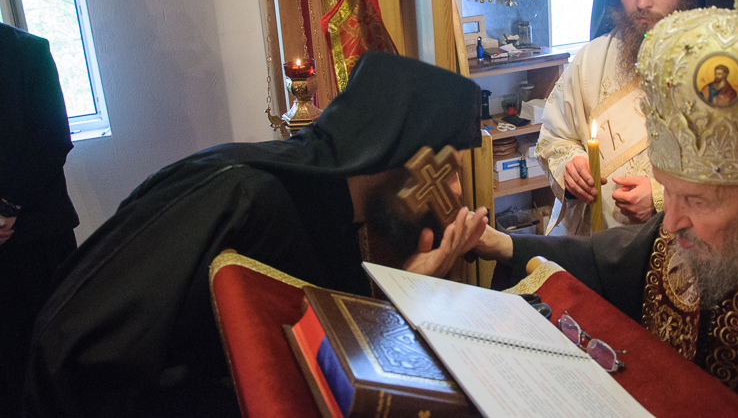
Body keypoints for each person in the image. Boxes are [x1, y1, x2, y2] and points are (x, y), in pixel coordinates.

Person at [473, 0, 738, 417]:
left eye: (696, 201)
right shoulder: (685, 224)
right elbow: (612, 259)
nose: (670, 222)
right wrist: (505, 245)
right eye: (668, 191)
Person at [23, 51, 488, 418]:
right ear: (402, 151)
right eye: (448, 169)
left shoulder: (332, 212)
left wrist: (406, 288)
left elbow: (321, 350)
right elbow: (79, 347)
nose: (456, 193)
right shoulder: (248, 196)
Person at [536, 0, 732, 232]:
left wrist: (662, 197)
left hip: (683, 242)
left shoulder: (722, 69)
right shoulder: (591, 60)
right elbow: (555, 138)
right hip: (601, 242)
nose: (642, 2)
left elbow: (736, 165)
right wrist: (571, 166)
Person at [0, 23, 79, 418]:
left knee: (50, 351)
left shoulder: (29, 51)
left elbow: (53, 139)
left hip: (36, 234)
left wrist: (5, 208)